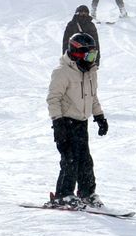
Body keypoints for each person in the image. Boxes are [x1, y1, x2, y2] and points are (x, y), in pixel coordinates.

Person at [46, 33, 109, 209]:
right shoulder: (62, 72)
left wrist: (99, 117)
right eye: (88, 54)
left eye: (93, 55)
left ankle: (87, 194)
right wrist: (57, 123)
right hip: (65, 122)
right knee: (70, 159)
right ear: (76, 52)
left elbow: (92, 97)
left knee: (85, 161)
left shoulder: (90, 72)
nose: (91, 58)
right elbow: (53, 99)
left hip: (81, 122)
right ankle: (63, 195)